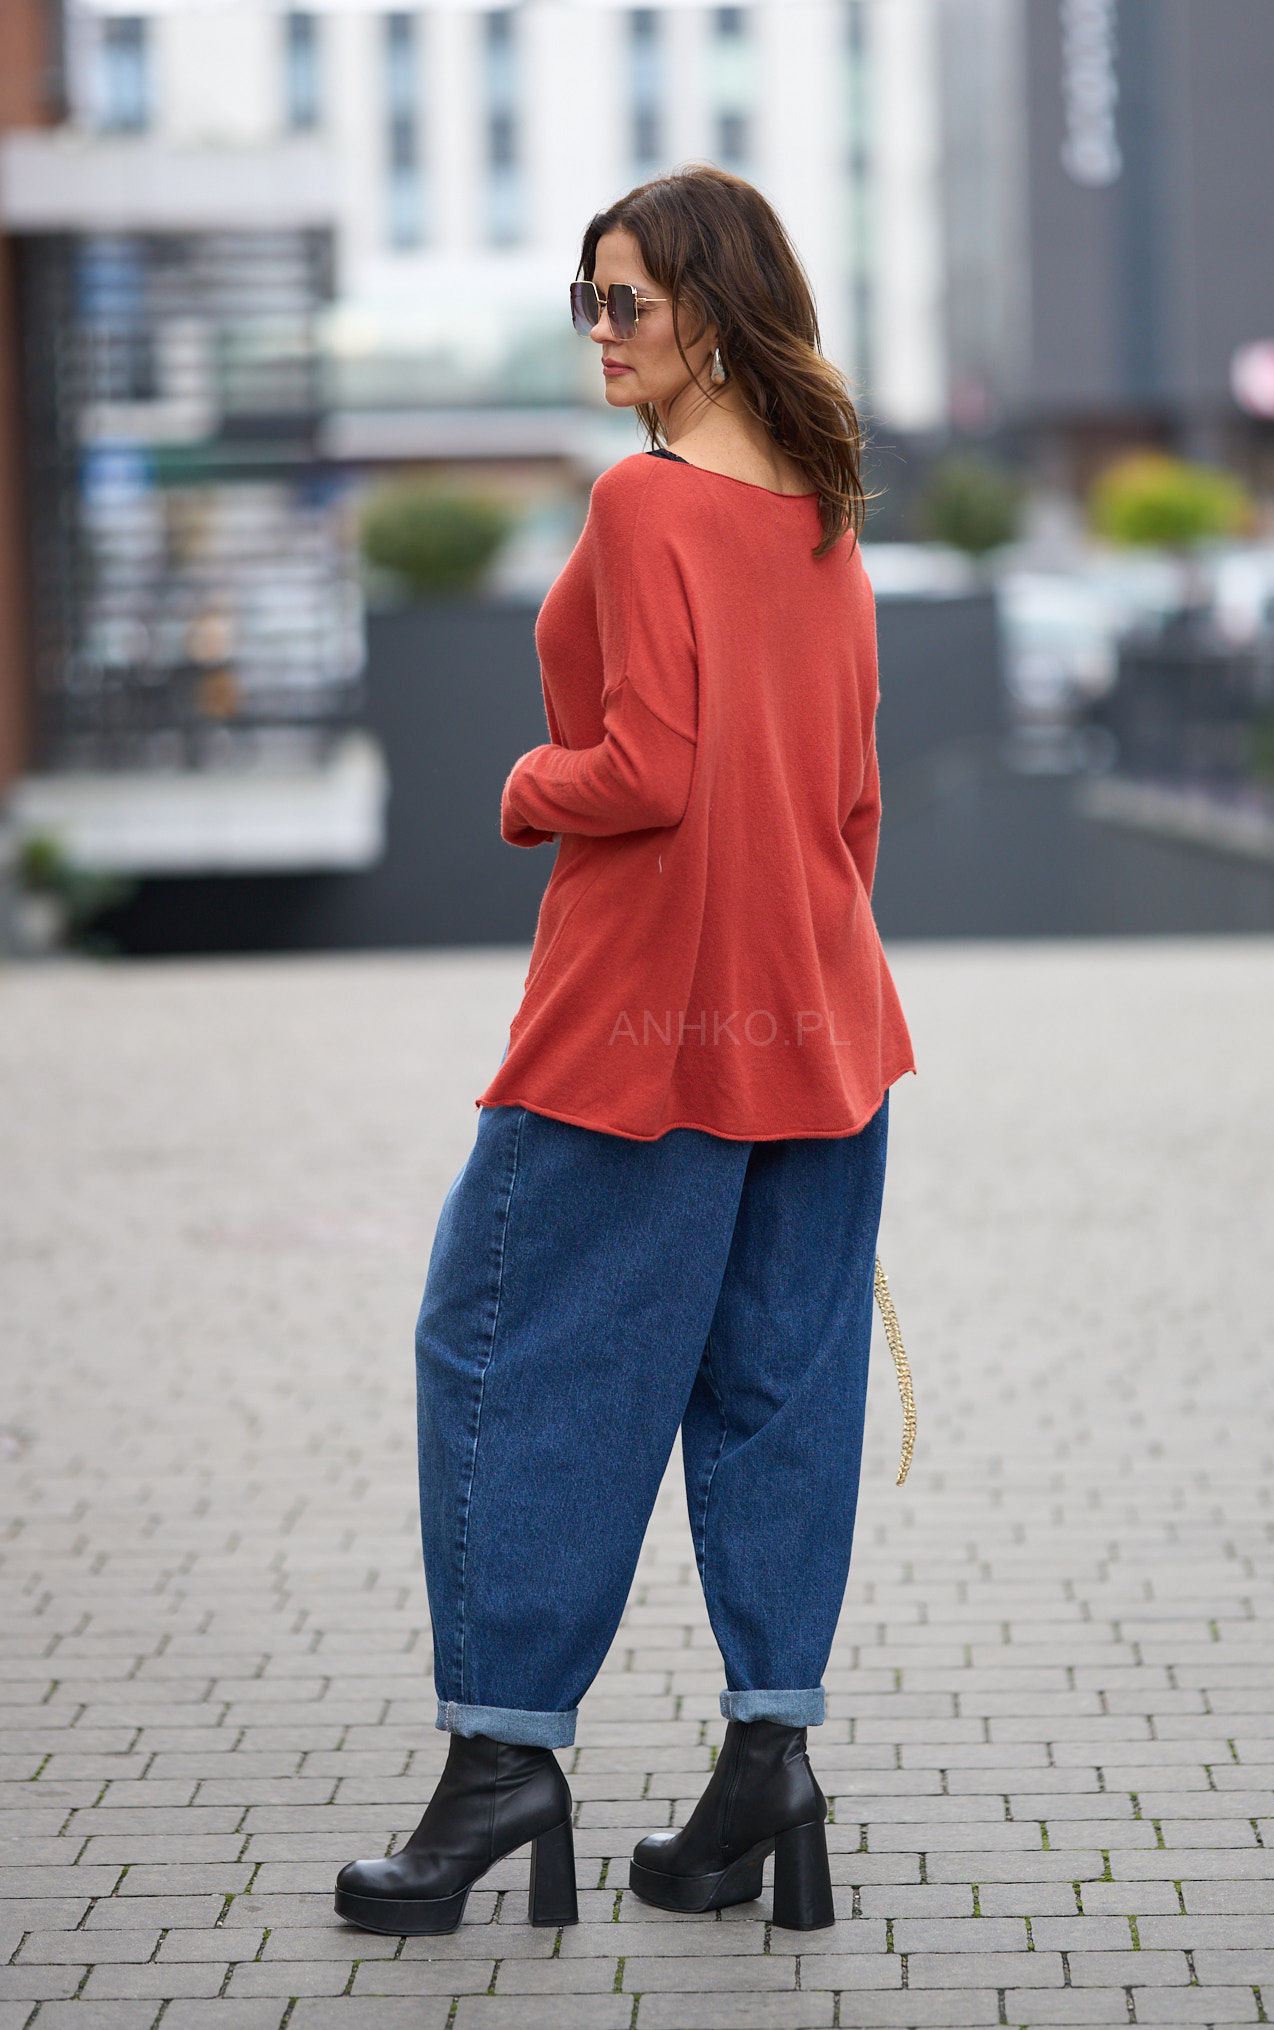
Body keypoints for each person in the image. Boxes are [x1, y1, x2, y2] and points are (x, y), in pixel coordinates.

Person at [336, 164, 914, 1942]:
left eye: (626, 301)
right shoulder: (822, 517)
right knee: (773, 1390)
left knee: (505, 1355)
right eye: (584, 298)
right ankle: (765, 1765)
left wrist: (525, 783)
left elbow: (643, 769)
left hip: (638, 1028)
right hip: (819, 1023)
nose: (599, 330)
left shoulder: (647, 501)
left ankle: (499, 1764)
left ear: (712, 315)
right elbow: (853, 805)